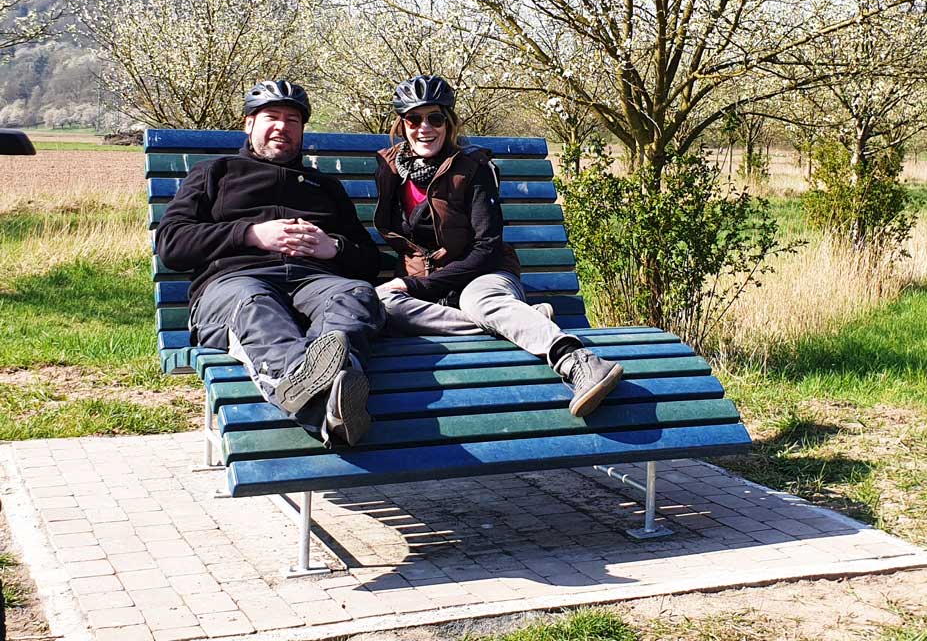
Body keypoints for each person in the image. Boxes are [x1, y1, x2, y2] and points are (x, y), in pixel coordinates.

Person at [372, 75, 623, 417]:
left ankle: (576, 358)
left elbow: (487, 246)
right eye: (414, 119)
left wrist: (419, 285)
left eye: (435, 118)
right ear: (402, 125)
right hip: (431, 288)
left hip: (484, 273)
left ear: (449, 122)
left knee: (481, 301)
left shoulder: (473, 168)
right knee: (381, 303)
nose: (424, 128)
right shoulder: (389, 168)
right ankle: (522, 320)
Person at [155, 81, 384, 446]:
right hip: (234, 285)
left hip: (314, 284)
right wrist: (249, 235)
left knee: (355, 293)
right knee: (254, 302)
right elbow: (172, 244)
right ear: (249, 124)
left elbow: (369, 263)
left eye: (293, 120)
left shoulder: (324, 186)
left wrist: (334, 248)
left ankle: (328, 395)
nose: (283, 127)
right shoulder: (215, 173)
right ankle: (325, 397)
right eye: (271, 117)